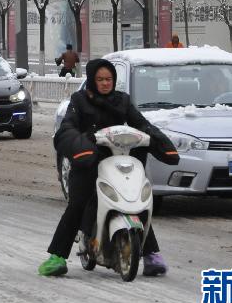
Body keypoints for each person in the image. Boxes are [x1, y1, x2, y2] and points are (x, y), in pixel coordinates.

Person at [39, 59, 179, 277]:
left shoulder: (122, 101)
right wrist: (82, 145)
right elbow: (67, 128)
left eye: (109, 79)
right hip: (87, 161)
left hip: (117, 160)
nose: (105, 83)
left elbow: (141, 124)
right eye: (100, 79)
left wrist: (160, 143)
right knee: (77, 205)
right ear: (92, 81)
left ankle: (151, 255)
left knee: (134, 203)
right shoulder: (79, 100)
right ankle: (57, 256)